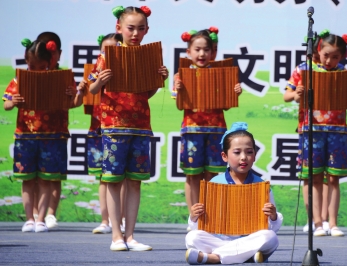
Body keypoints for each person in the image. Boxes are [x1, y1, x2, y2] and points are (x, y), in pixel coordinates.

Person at [89, 5, 168, 251]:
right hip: (113, 125)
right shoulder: (108, 55)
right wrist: (100, 81)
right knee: (113, 180)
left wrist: (159, 80)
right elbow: (90, 89)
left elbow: (147, 93)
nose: (135, 33)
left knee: (135, 181)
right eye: (130, 28)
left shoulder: (148, 56)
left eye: (140, 29)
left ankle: (130, 236)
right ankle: (116, 236)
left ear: (147, 30)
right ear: (119, 28)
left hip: (141, 125)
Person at [283, 32, 347, 237]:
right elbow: (287, 95)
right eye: (326, 55)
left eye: (335, 56)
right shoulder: (304, 70)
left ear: (342, 56)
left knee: (334, 178)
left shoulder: (344, 73)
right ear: (318, 50)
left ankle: (332, 223)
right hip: (311, 130)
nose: (329, 60)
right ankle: (316, 222)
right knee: (313, 177)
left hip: (337, 130)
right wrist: (296, 94)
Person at [2, 39, 84, 233]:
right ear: (25, 60)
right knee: (27, 179)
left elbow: (72, 104)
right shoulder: (19, 79)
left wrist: (73, 94)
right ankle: (29, 218)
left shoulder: (60, 78)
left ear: (50, 62)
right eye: (32, 66)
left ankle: (41, 219)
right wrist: (13, 102)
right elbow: (5, 105)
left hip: (52, 136)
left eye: (42, 66)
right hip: (26, 136)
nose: (37, 70)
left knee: (47, 179)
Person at [185, 122, 283, 264]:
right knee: (193, 237)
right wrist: (194, 217)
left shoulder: (262, 186)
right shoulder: (214, 183)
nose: (243, 157)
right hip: (220, 239)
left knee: (270, 237)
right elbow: (203, 225)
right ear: (224, 156)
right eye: (237, 152)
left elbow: (270, 227)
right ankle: (248, 256)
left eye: (249, 152)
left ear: (255, 156)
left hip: (250, 238)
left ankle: (213, 258)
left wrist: (273, 216)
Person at [174, 30, 242, 217]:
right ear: (189, 51)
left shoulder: (220, 74)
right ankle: (194, 217)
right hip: (192, 130)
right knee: (193, 174)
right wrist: (179, 90)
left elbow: (227, 105)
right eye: (197, 49)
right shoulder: (181, 74)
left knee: (213, 175)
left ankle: (212, 216)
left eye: (206, 50)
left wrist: (234, 92)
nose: (202, 54)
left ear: (214, 52)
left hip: (216, 130)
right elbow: (178, 103)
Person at [32, 31, 84, 230]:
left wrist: (72, 95)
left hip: (57, 131)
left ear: (59, 54)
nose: (48, 58)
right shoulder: (30, 76)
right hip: (33, 132)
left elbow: (73, 104)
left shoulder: (64, 76)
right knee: (35, 175)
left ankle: (51, 213)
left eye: (51, 54)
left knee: (54, 175)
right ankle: (36, 212)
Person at [89, 33, 124, 234]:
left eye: (115, 47)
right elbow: (93, 90)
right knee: (106, 177)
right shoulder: (100, 64)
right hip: (105, 126)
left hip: (127, 125)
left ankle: (122, 220)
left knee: (126, 177)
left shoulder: (129, 63)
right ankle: (105, 220)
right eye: (105, 49)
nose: (109, 52)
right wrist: (100, 81)